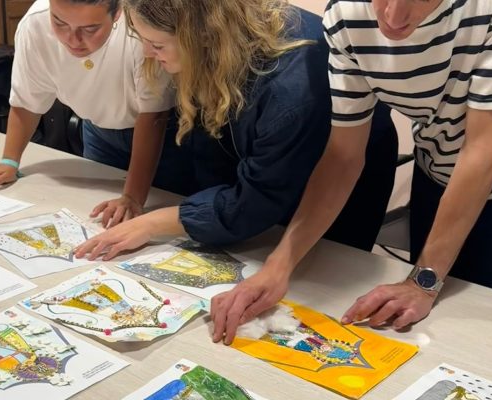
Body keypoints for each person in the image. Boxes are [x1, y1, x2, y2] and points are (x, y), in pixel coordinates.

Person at [210, 0, 492, 344]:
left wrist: (423, 281)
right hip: (438, 154)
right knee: (424, 318)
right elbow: (343, 156)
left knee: (486, 323)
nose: (392, 17)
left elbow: (483, 150)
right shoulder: (347, 13)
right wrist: (279, 265)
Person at [73, 0, 398, 260]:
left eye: (156, 45)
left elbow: (255, 202)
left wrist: (154, 223)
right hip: (269, 183)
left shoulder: (291, 91)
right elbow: (214, 157)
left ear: (202, 35)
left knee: (320, 281)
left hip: (340, 192)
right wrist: (195, 217)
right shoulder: (220, 45)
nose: (147, 53)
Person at [0, 0, 192, 226]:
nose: (72, 40)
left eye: (90, 29)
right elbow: (27, 99)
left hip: (166, 135)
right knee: (93, 214)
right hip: (99, 132)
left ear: (117, 13)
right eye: (59, 23)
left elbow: (154, 116)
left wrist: (133, 197)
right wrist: (9, 162)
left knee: (165, 215)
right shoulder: (35, 23)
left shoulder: (140, 30)